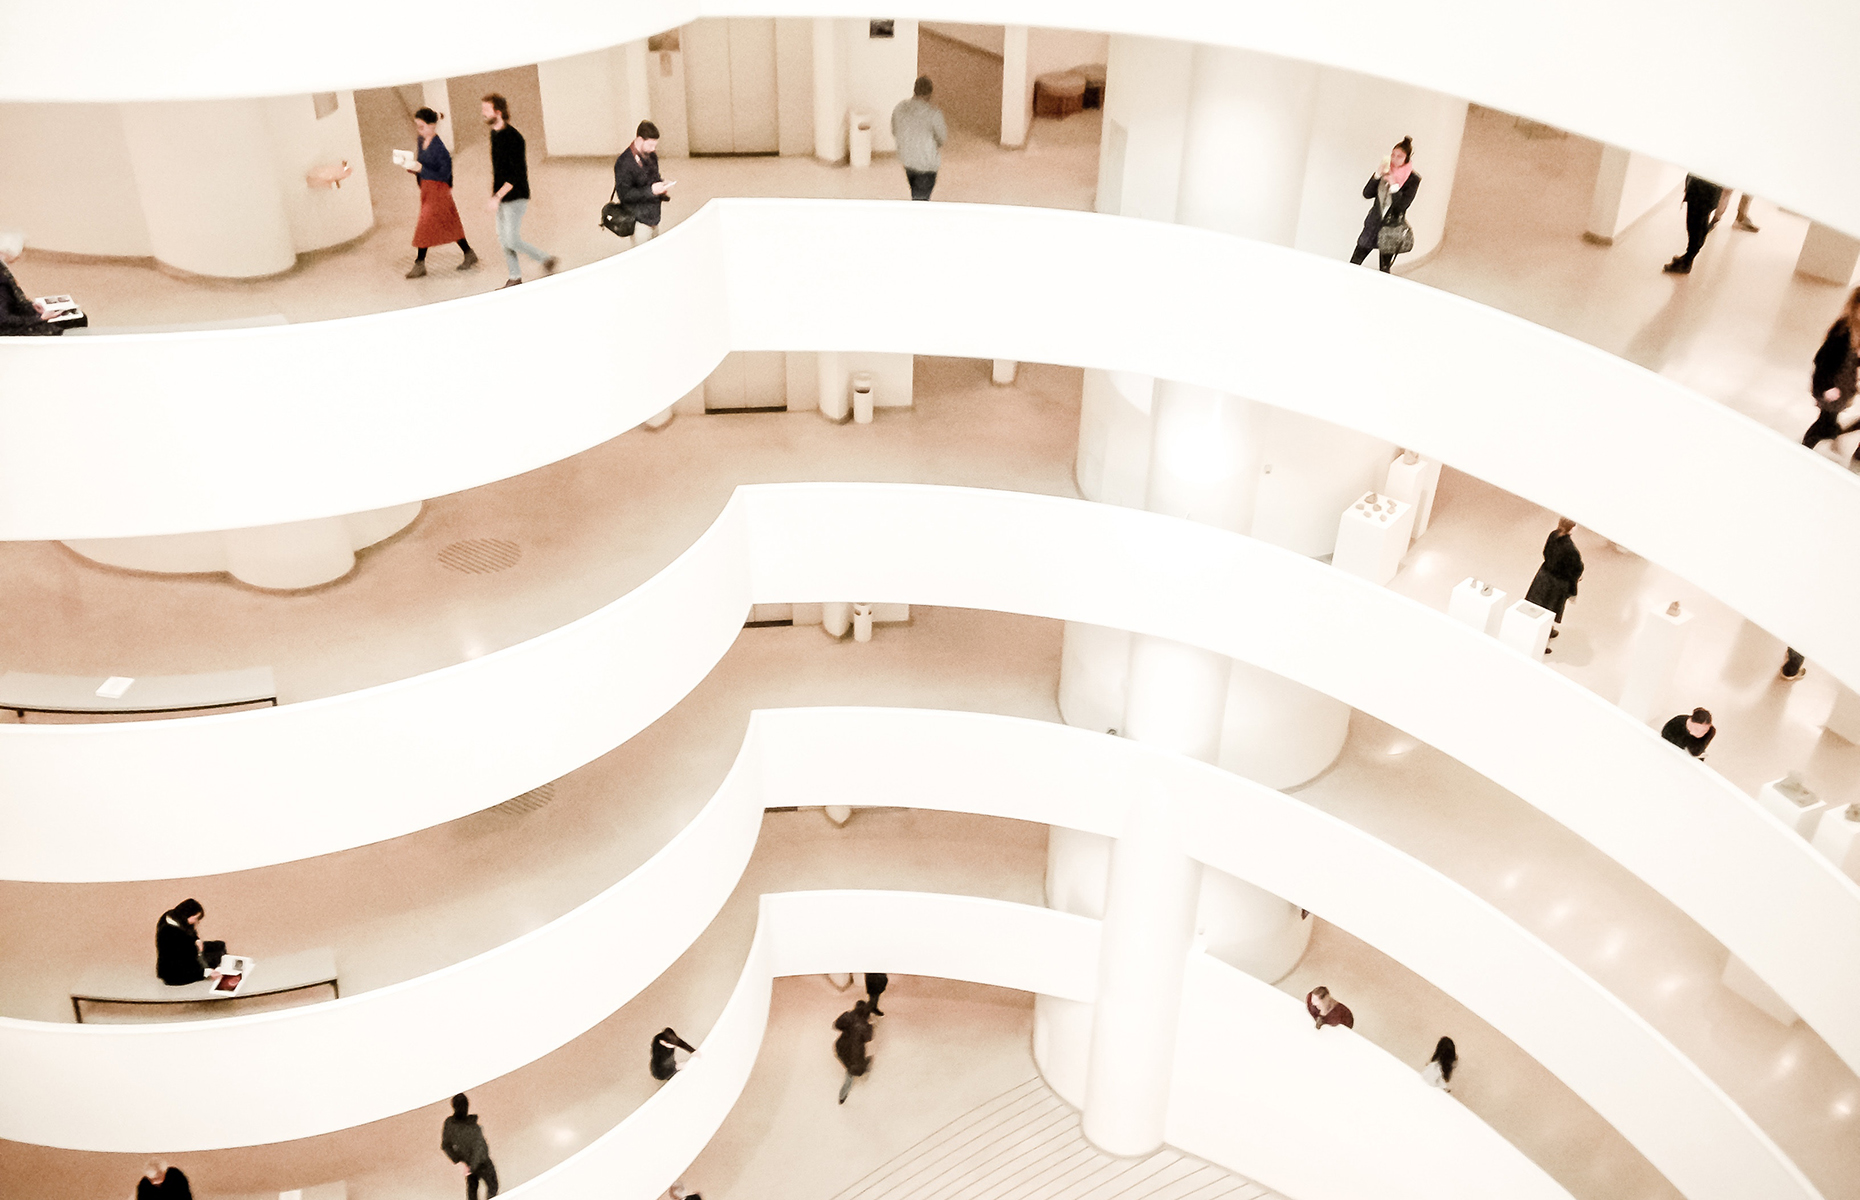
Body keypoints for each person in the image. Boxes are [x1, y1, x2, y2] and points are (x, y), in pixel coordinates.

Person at [481, 94, 557, 289]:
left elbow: (514, 176)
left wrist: (497, 197)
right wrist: (495, 195)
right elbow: (499, 171)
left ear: (498, 112)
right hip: (501, 196)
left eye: (486, 110)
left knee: (511, 240)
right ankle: (514, 277)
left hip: (515, 197)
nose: (483, 113)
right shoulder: (494, 134)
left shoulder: (514, 138)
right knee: (503, 239)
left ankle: (545, 259)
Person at [404, 107, 477, 278]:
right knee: (449, 222)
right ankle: (468, 252)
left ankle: (419, 263)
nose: (419, 130)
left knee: (424, 224)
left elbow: (444, 175)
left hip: (438, 190)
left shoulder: (441, 150)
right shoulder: (421, 140)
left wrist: (421, 169)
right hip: (427, 189)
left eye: (422, 127)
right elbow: (422, 164)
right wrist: (414, 168)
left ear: (432, 126)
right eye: (417, 126)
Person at [1802, 287, 1860, 453]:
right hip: (1832, 386)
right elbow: (1823, 359)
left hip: (1841, 386)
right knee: (1827, 422)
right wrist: (1826, 387)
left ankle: (1811, 446)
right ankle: (1807, 447)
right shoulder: (1843, 330)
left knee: (1829, 421)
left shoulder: (1854, 331)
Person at [1350, 137, 1420, 273]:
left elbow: (1402, 205)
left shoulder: (1413, 179)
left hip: (1391, 227)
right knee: (1355, 261)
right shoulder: (1386, 171)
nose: (1395, 159)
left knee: (1384, 268)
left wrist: (1394, 185)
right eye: (1393, 155)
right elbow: (1367, 193)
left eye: (1399, 156)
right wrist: (1377, 175)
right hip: (1373, 223)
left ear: (1406, 158)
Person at [1524, 517, 1584, 653]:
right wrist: (1573, 590)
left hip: (1544, 576)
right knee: (1549, 610)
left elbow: (1545, 552)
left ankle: (1543, 632)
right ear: (1573, 528)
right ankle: (1540, 642)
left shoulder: (1553, 535)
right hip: (1558, 584)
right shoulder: (1571, 549)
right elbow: (1575, 570)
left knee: (1539, 605)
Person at [614, 121, 673, 247]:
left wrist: (662, 184)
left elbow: (653, 177)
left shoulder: (651, 156)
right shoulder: (624, 163)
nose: (653, 149)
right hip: (638, 220)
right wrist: (651, 191)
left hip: (654, 216)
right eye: (651, 145)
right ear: (640, 140)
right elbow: (624, 195)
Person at [890, 76, 948, 202]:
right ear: (930, 94)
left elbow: (895, 131)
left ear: (914, 90)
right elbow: (942, 139)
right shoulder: (934, 114)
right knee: (921, 201)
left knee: (915, 193)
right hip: (926, 165)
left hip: (907, 161)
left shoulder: (900, 108)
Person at [0, 232, 62, 336]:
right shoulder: (2, 280)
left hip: (9, 319)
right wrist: (39, 318)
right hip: (5, 332)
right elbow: (4, 320)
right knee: (55, 330)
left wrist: (31, 308)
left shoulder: (3, 272)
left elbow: (14, 302)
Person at [441, 1093, 498, 1200]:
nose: (464, 1108)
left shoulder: (469, 1123)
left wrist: (463, 1162)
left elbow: (479, 1145)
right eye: (461, 1105)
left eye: (465, 1105)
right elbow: (446, 1145)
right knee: (482, 1189)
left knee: (489, 1188)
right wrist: (460, 1161)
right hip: (473, 1163)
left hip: (479, 1161)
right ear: (455, 1107)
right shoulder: (451, 1124)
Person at [1663, 174, 1724, 274]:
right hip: (1704, 185)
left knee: (1697, 225)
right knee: (1695, 223)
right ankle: (1688, 256)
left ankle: (1688, 260)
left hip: (1706, 188)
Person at [156, 899, 220, 986]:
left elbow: (190, 931)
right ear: (187, 915)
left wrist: (196, 939)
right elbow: (184, 961)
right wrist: (206, 972)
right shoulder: (173, 934)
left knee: (218, 946)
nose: (196, 922)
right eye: (196, 918)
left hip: (181, 959)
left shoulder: (172, 917)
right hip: (175, 973)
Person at [834, 999, 875, 1103]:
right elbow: (868, 1038)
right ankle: (865, 1068)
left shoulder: (848, 1017)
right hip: (856, 1053)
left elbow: (837, 1025)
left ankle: (842, 1097)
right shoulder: (864, 1026)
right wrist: (870, 1025)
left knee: (849, 1068)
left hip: (841, 1047)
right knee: (853, 1069)